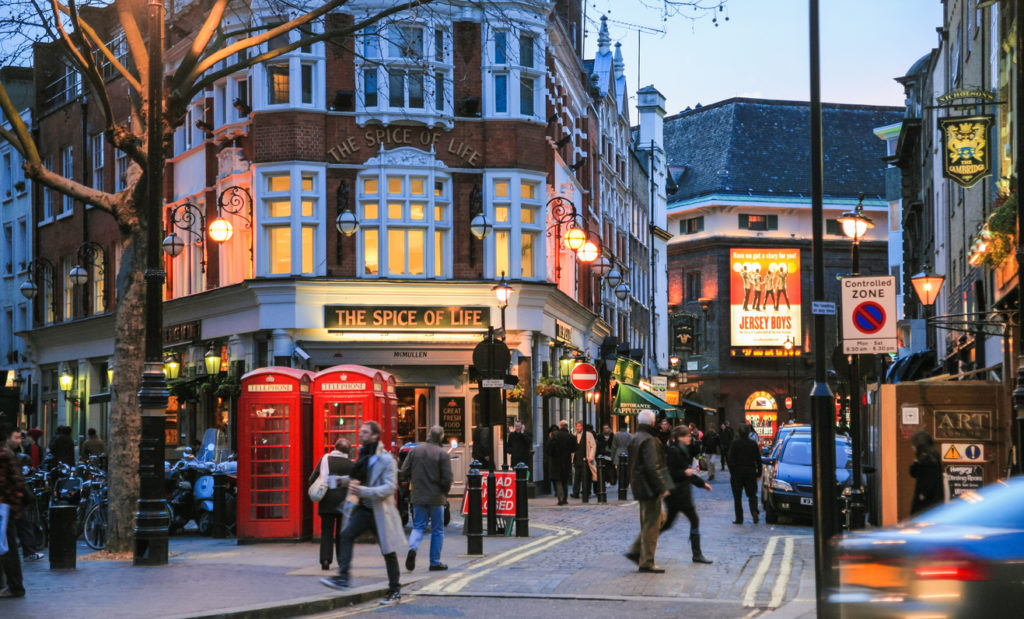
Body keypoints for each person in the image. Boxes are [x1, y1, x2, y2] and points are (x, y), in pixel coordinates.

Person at [321, 421, 406, 606]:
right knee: (345, 535)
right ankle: (343, 577)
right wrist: (339, 481)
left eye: (365, 432)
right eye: (361, 431)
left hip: (380, 511)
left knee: (388, 551)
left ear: (375, 435)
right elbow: (356, 478)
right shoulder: (362, 455)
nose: (361, 434)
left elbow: (389, 488)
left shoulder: (386, 459)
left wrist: (364, 491)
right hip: (363, 509)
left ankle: (395, 590)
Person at [624, 410, 673, 573]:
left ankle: (637, 550)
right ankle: (647, 561)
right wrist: (662, 487)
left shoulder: (636, 437)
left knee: (658, 519)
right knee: (652, 523)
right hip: (649, 487)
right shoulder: (649, 440)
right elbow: (653, 467)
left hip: (640, 485)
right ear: (652, 423)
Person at [400, 425, 452, 573]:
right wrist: (444, 493)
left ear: (429, 435)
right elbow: (447, 478)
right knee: (437, 529)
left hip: (418, 496)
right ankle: (434, 562)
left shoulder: (415, 451)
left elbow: (403, 471)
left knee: (418, 526)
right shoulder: (442, 454)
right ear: (441, 437)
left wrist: (410, 485)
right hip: (436, 498)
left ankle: (413, 549)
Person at [661, 426, 712, 564]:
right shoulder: (674, 451)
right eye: (687, 436)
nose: (690, 438)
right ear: (680, 437)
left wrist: (702, 484)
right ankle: (697, 554)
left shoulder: (681, 450)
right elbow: (672, 473)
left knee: (668, 524)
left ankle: (644, 542)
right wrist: (685, 473)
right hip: (678, 494)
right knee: (693, 520)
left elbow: (687, 471)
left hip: (677, 495)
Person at [308, 437, 354, 571]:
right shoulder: (350, 464)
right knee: (341, 533)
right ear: (348, 451)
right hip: (342, 503)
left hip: (326, 501)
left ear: (335, 447)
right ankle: (342, 562)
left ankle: (325, 561)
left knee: (326, 532)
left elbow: (311, 478)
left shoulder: (324, 460)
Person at [0, 439, 27, 597]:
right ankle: (12, 584)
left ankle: (15, 586)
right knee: (7, 545)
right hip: (6, 506)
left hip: (4, 507)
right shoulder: (6, 453)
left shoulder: (3, 454)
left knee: (8, 546)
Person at [728, 424, 762, 524]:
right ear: (748, 433)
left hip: (737, 472)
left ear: (738, 432)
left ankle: (739, 518)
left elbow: (730, 459)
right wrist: (759, 473)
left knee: (737, 497)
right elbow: (758, 460)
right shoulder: (753, 444)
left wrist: (732, 472)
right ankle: (754, 511)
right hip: (750, 472)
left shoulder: (735, 443)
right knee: (752, 495)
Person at [909, 430, 942, 515]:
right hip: (931, 500)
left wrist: (922, 496)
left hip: (926, 500)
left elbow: (915, 473)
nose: (912, 447)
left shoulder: (927, 458)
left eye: (914, 444)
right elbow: (913, 472)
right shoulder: (926, 456)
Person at [547, 421, 575, 505]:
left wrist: (551, 454)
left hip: (556, 460)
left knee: (558, 480)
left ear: (560, 426)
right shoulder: (571, 436)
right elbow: (574, 449)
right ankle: (565, 499)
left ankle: (560, 498)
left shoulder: (555, 435)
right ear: (567, 426)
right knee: (565, 480)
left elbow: (549, 448)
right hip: (566, 461)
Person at [571, 421, 596, 500]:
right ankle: (576, 492)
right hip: (576, 458)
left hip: (586, 458)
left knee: (586, 476)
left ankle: (587, 492)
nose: (577, 428)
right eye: (577, 426)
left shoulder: (589, 435)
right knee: (577, 476)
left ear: (582, 427)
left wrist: (591, 456)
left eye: (579, 426)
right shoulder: (574, 435)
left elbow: (593, 445)